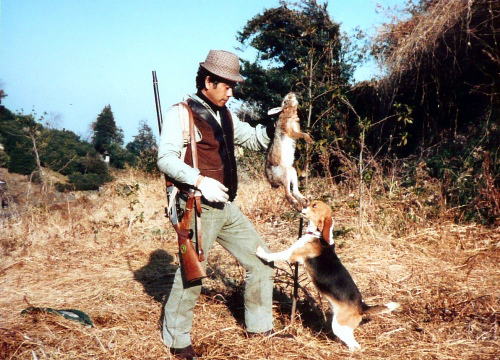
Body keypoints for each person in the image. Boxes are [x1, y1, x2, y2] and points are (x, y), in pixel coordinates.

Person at [157, 50, 285, 359]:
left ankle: (259, 327)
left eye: (233, 87)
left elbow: (254, 139)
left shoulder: (225, 114)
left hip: (226, 206)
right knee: (192, 275)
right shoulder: (181, 113)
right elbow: (165, 159)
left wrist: (277, 125)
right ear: (208, 81)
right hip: (197, 206)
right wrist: (199, 181)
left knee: (262, 261)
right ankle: (176, 340)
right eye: (226, 86)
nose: (231, 92)